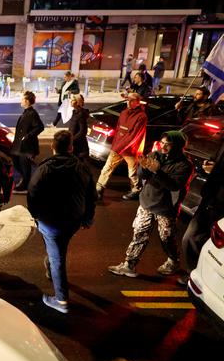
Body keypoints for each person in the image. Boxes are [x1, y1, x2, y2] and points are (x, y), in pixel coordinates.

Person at [27, 131, 96, 314]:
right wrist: (88, 217)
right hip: (73, 220)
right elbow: (91, 196)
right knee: (57, 249)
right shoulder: (82, 168)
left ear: (53, 147)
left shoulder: (45, 169)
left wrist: (35, 214)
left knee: (58, 258)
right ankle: (51, 269)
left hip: (50, 221)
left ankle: (61, 300)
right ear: (71, 147)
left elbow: (33, 192)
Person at [108, 131, 194, 278]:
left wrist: (157, 171)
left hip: (166, 208)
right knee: (140, 233)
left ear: (178, 146)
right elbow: (143, 176)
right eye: (162, 143)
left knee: (166, 237)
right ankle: (129, 265)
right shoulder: (155, 155)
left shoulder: (184, 165)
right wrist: (144, 168)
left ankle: (173, 261)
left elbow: (174, 185)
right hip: (147, 201)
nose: (164, 146)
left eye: (168, 144)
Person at [180, 141, 224, 286]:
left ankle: (205, 280)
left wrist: (216, 172)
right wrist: (211, 165)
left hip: (221, 204)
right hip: (210, 198)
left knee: (213, 248)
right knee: (190, 239)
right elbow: (215, 159)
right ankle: (193, 273)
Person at [96, 92, 147, 201]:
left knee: (132, 173)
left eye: (132, 100)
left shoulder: (141, 116)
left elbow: (133, 136)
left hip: (130, 150)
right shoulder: (124, 113)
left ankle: (136, 191)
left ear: (138, 102)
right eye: (128, 99)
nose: (128, 102)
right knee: (107, 168)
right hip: (118, 147)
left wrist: (118, 147)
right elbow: (119, 129)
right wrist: (115, 146)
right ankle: (99, 188)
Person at [11, 91, 44, 193]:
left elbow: (40, 127)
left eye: (22, 99)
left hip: (27, 146)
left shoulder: (32, 113)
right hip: (20, 145)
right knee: (15, 160)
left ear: (27, 101)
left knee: (25, 165)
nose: (21, 101)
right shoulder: (26, 112)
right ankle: (25, 180)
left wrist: (27, 136)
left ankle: (25, 184)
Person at [67, 94, 89, 159]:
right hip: (74, 145)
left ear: (78, 102)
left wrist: (72, 140)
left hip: (79, 147)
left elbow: (83, 131)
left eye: (72, 100)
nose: (70, 101)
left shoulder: (81, 114)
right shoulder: (75, 112)